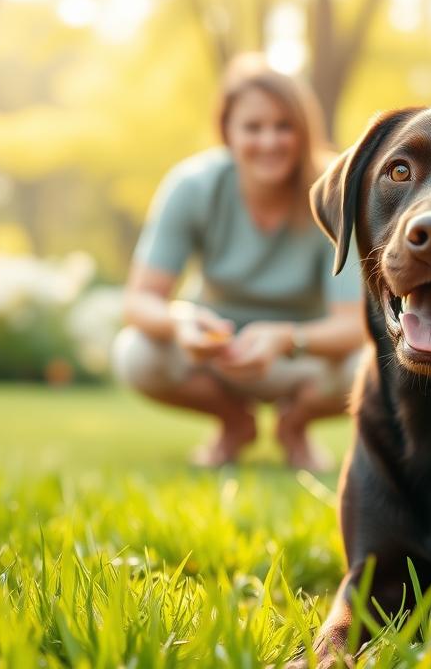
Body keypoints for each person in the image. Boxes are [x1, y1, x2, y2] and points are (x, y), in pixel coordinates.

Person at [112, 54, 364, 470]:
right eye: (253, 127)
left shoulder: (334, 194)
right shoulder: (192, 187)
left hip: (302, 357)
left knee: (377, 366)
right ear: (227, 131)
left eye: (284, 126)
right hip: (216, 354)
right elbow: (138, 302)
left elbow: (354, 325)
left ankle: (294, 425)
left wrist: (286, 338)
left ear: (304, 130)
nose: (269, 141)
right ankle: (234, 424)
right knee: (135, 353)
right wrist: (180, 322)